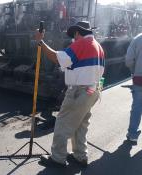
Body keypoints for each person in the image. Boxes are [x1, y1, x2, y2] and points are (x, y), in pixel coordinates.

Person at [35, 21, 105, 167]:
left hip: (80, 90)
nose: (73, 38)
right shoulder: (98, 46)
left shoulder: (81, 44)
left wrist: (40, 42)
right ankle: (80, 156)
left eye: (74, 35)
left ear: (78, 33)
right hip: (93, 90)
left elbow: (56, 58)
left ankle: (57, 158)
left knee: (63, 122)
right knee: (81, 124)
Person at [125, 33, 142, 144]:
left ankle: (132, 135)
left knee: (137, 107)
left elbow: (129, 60)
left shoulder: (138, 39)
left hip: (139, 78)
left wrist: (134, 71)